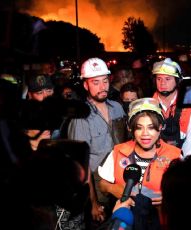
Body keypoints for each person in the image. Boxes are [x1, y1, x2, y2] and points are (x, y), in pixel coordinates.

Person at [98, 98, 182, 229]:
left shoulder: (175, 155)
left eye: (151, 127)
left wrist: (170, 198)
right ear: (131, 129)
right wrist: (113, 188)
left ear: (160, 127)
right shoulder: (118, 151)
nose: (145, 134)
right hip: (126, 222)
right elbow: (102, 185)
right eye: (139, 128)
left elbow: (188, 193)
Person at [67, 57, 127, 226]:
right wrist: (93, 203)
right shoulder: (81, 117)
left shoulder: (117, 107)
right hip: (98, 189)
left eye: (105, 81)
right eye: (95, 82)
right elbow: (82, 164)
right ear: (86, 85)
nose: (102, 87)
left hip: (121, 181)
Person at [151, 58, 191, 157]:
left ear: (177, 80)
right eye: (159, 79)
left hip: (182, 161)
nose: (162, 83)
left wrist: (181, 164)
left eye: (168, 79)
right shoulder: (149, 106)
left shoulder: (189, 106)